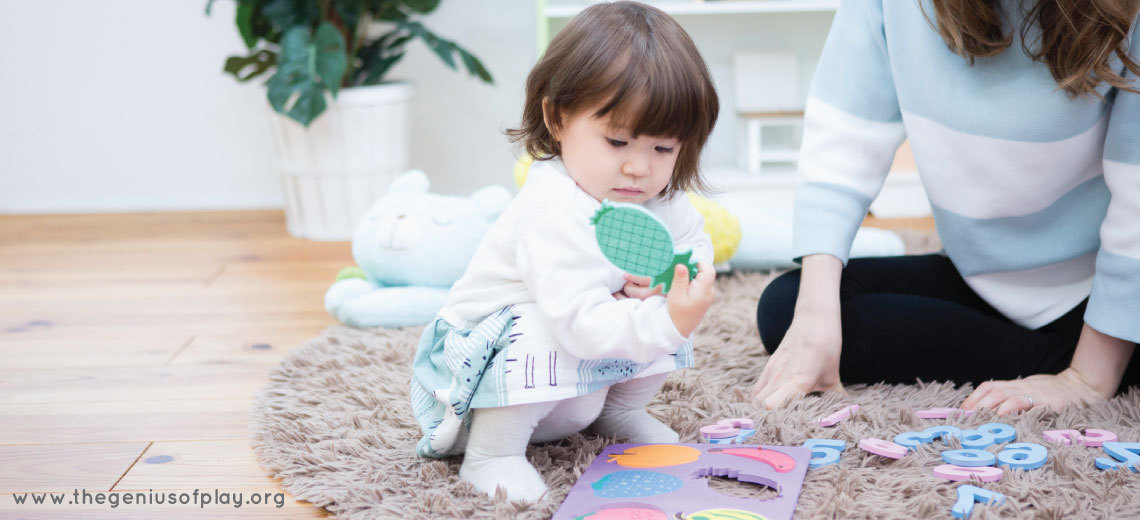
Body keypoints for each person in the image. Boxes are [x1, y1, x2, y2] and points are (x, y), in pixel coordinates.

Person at [753, 0, 1140, 415]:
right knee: (790, 307)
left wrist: (1085, 380)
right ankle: (1056, 353)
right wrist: (816, 321)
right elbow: (844, 134)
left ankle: (1100, 355)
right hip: (978, 276)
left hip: (1099, 289)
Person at [409, 1, 720, 502]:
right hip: (478, 387)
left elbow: (692, 246)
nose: (640, 168)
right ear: (556, 118)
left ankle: (617, 410)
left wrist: (672, 279)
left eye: (663, 149)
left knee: (662, 305)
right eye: (617, 141)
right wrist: (669, 324)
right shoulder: (552, 212)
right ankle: (492, 454)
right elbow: (576, 322)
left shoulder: (659, 199)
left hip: (578, 385)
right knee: (544, 323)